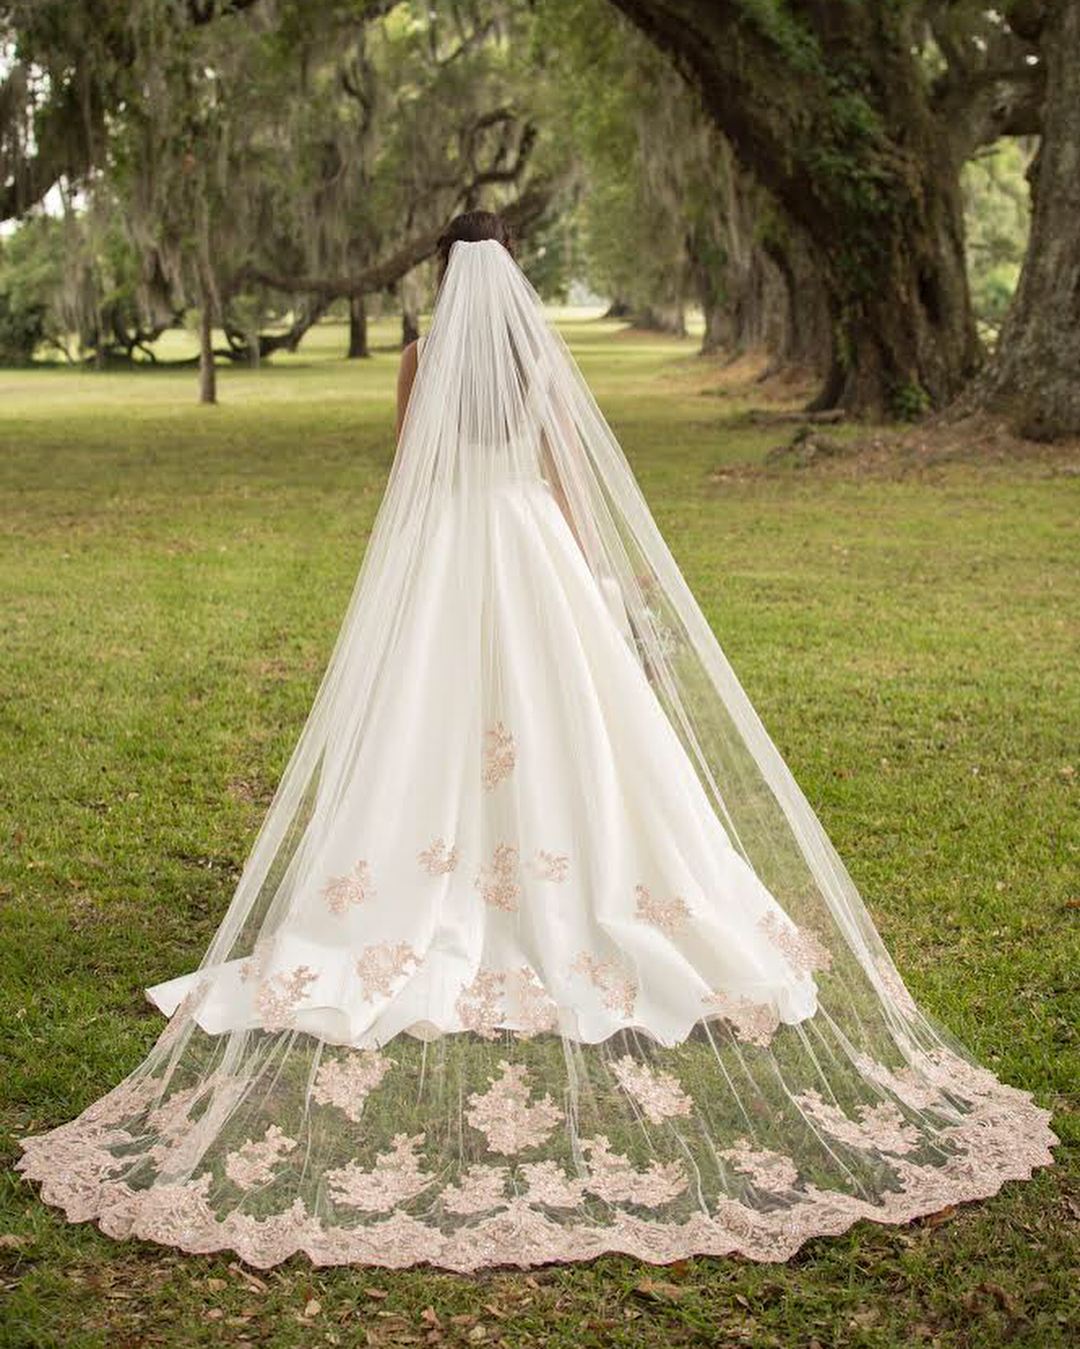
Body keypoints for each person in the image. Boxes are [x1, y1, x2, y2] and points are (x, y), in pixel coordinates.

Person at [15, 210, 1057, 1273]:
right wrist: (606, 587)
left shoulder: (422, 355)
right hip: (532, 546)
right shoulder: (534, 354)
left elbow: (405, 477)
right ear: (512, 274)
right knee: (580, 735)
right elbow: (567, 478)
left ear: (441, 274)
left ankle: (419, 888)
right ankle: (589, 889)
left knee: (429, 726)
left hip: (448, 548)